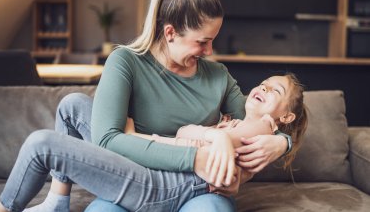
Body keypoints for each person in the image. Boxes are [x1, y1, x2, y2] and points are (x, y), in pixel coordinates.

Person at [0, 0, 291, 212]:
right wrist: (198, 154)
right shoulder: (126, 62)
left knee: (44, 142)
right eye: (202, 41)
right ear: (170, 32)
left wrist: (282, 143)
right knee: (72, 105)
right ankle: (57, 201)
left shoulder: (218, 76)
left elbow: (258, 123)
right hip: (141, 169)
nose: (210, 51)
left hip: (191, 186)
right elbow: (108, 140)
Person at [126, 74, 308, 175]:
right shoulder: (240, 124)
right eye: (263, 84)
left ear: (286, 117)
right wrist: (214, 130)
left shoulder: (262, 127)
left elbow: (194, 147)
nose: (264, 88)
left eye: (275, 90)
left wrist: (137, 139)